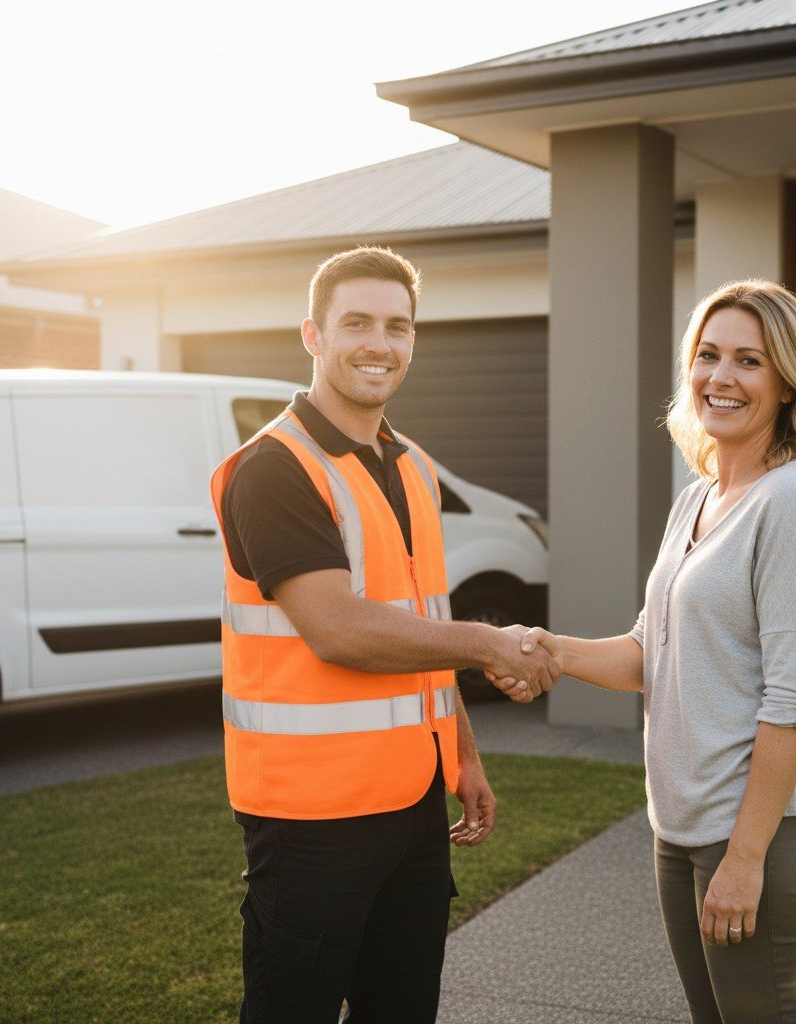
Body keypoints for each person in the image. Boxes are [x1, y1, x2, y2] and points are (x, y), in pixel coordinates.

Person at [209, 245, 557, 1024]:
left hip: (410, 806)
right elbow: (337, 630)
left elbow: (419, 624)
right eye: (357, 322)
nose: (380, 342)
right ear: (313, 335)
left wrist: (461, 752)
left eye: (398, 326)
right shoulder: (274, 469)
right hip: (309, 821)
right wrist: (490, 644)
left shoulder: (411, 467)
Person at [500, 280, 796, 1023]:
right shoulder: (697, 497)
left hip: (761, 837)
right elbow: (648, 649)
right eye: (708, 355)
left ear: (787, 382)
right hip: (683, 831)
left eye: (749, 361)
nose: (721, 377)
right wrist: (550, 650)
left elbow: (794, 700)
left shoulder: (794, 502)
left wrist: (745, 858)